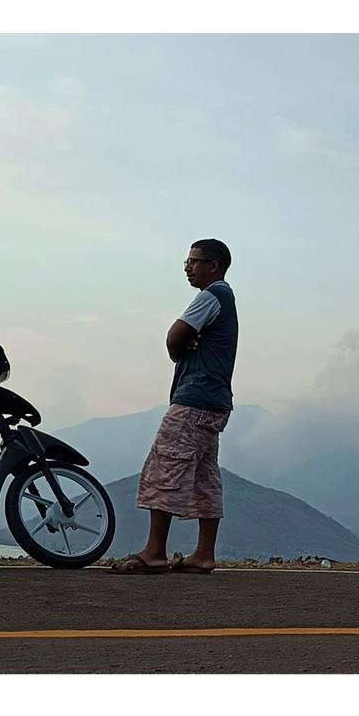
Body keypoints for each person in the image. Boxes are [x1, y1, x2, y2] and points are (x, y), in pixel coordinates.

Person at [112, 239, 239, 575]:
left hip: (193, 399)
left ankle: (154, 552)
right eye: (187, 260)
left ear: (213, 265)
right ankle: (203, 554)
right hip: (215, 403)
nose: (187, 267)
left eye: (194, 261)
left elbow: (174, 336)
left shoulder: (212, 295)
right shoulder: (225, 299)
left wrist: (178, 351)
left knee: (164, 468)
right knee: (204, 476)